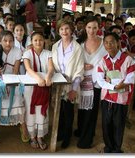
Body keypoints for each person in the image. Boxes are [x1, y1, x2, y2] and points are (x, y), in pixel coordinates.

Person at [97, 32, 135, 153]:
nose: (109, 45)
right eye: (106, 43)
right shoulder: (103, 61)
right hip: (107, 98)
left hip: (121, 98)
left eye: (112, 42)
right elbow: (100, 80)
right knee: (106, 123)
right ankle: (108, 147)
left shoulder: (128, 59)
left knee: (118, 124)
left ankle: (117, 148)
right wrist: (115, 85)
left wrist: (116, 84)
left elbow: (130, 78)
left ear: (118, 43)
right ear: (104, 44)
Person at [0, 30, 29, 145]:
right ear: (0, 41)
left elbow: (15, 71)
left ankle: (23, 126)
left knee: (18, 99)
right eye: (5, 41)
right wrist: (3, 85)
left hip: (14, 81)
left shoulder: (17, 51)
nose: (8, 43)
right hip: (0, 82)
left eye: (10, 41)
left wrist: (10, 85)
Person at [51, 19, 84, 149]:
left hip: (70, 86)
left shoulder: (77, 48)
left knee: (68, 112)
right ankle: (59, 133)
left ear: (71, 30)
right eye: (61, 29)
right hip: (58, 85)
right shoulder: (55, 46)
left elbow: (79, 70)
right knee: (58, 111)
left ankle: (67, 136)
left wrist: (74, 89)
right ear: (58, 31)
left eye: (67, 29)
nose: (64, 31)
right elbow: (52, 66)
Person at [75, 16, 106, 149]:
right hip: (81, 80)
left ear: (98, 28)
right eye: (89, 27)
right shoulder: (79, 43)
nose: (92, 30)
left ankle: (86, 140)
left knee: (91, 111)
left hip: (96, 82)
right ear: (85, 28)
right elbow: (73, 61)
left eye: (94, 27)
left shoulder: (105, 43)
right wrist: (82, 65)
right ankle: (82, 130)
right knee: (82, 108)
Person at [23, 32, 54, 150]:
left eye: (40, 40)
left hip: (44, 85)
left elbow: (50, 68)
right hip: (31, 87)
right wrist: (38, 78)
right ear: (31, 41)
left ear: (44, 41)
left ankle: (40, 136)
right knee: (31, 112)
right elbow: (28, 68)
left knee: (42, 111)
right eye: (35, 40)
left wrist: (48, 77)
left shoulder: (48, 53)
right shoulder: (27, 53)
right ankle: (32, 136)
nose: (38, 42)